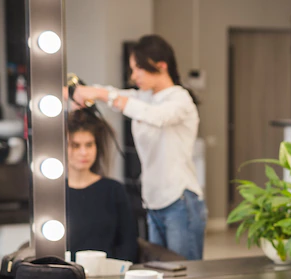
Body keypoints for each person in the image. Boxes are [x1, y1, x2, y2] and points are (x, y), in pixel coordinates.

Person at [71, 35, 207, 260]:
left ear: (160, 66)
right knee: (159, 272)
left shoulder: (180, 99)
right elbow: (117, 96)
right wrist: (80, 92)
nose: (133, 76)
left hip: (180, 201)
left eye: (138, 69)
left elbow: (155, 116)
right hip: (153, 201)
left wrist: (101, 94)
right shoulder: (144, 97)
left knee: (185, 277)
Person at [66, 109, 137, 262]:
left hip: (109, 276)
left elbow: (128, 243)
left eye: (89, 145)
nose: (84, 152)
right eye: (76, 145)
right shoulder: (54, 193)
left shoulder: (113, 190)